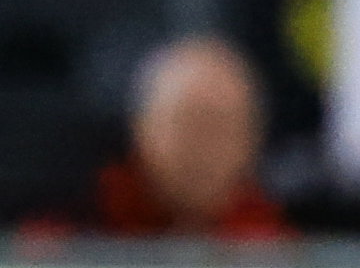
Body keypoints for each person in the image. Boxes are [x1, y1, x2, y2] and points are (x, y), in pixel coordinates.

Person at [30, 33, 287, 239]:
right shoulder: (72, 240)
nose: (202, 151)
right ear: (140, 129)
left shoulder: (278, 252)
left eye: (221, 129)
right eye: (188, 126)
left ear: (253, 141)